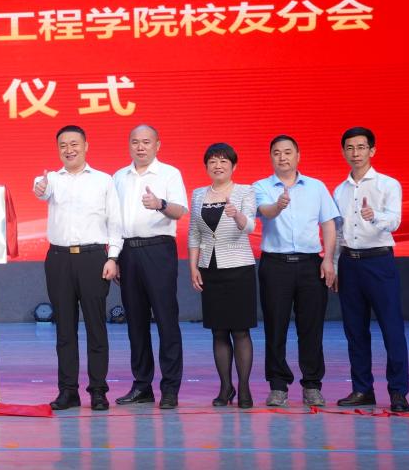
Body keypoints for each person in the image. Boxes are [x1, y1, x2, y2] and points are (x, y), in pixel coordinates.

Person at [34, 125, 121, 411]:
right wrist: (41, 187)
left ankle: (98, 390)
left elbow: (115, 221)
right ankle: (68, 391)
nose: (69, 150)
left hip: (93, 258)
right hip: (59, 259)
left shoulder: (104, 180)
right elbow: (40, 191)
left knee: (96, 326)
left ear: (86, 146)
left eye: (74, 144)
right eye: (63, 145)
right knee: (64, 329)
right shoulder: (51, 180)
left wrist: (113, 257)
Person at [254, 135, 338, 408]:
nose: (283, 157)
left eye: (288, 152)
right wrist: (278, 206)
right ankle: (278, 386)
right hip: (275, 265)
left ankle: (312, 384)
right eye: (277, 152)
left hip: (310, 264)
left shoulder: (316, 187)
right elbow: (264, 211)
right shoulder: (261, 186)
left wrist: (329, 260)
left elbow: (328, 224)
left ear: (298, 156)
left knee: (311, 328)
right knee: (275, 327)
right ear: (271, 157)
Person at [332, 127, 409, 412]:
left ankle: (398, 392)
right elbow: (338, 231)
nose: (356, 153)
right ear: (344, 152)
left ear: (372, 150)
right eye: (350, 148)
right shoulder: (339, 190)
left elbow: (395, 221)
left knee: (392, 328)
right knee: (355, 330)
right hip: (349, 264)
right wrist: (334, 265)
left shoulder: (388, 184)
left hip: (378, 261)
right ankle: (362, 389)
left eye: (361, 147)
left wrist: (373, 215)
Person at [113, 124, 187, 409]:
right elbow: (113, 220)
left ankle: (170, 388)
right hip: (128, 252)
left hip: (159, 250)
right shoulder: (119, 177)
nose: (140, 147)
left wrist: (159, 203)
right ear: (129, 145)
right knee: (135, 322)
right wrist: (115, 256)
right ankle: (142, 385)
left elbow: (179, 211)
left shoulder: (169, 173)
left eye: (146, 142)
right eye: (135, 142)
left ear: (157, 145)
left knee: (166, 320)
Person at [187, 143, 258, 409]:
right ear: (206, 166)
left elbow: (250, 226)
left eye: (223, 161)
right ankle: (225, 387)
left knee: (240, 330)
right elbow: (194, 233)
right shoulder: (198, 194)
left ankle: (245, 388)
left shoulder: (245, 191)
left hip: (239, 268)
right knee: (218, 331)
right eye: (213, 161)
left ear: (233, 166)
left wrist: (236, 214)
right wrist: (193, 267)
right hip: (210, 268)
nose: (218, 166)